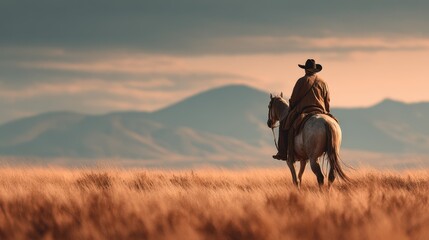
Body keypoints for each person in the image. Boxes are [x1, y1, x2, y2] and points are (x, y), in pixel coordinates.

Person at [273, 59, 332, 161]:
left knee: (284, 124)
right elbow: (327, 100)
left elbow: (294, 99)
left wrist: (291, 108)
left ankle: (282, 153)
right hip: (321, 111)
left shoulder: (301, 81)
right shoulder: (324, 83)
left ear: (305, 70)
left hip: (303, 111)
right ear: (315, 70)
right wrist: (326, 112)